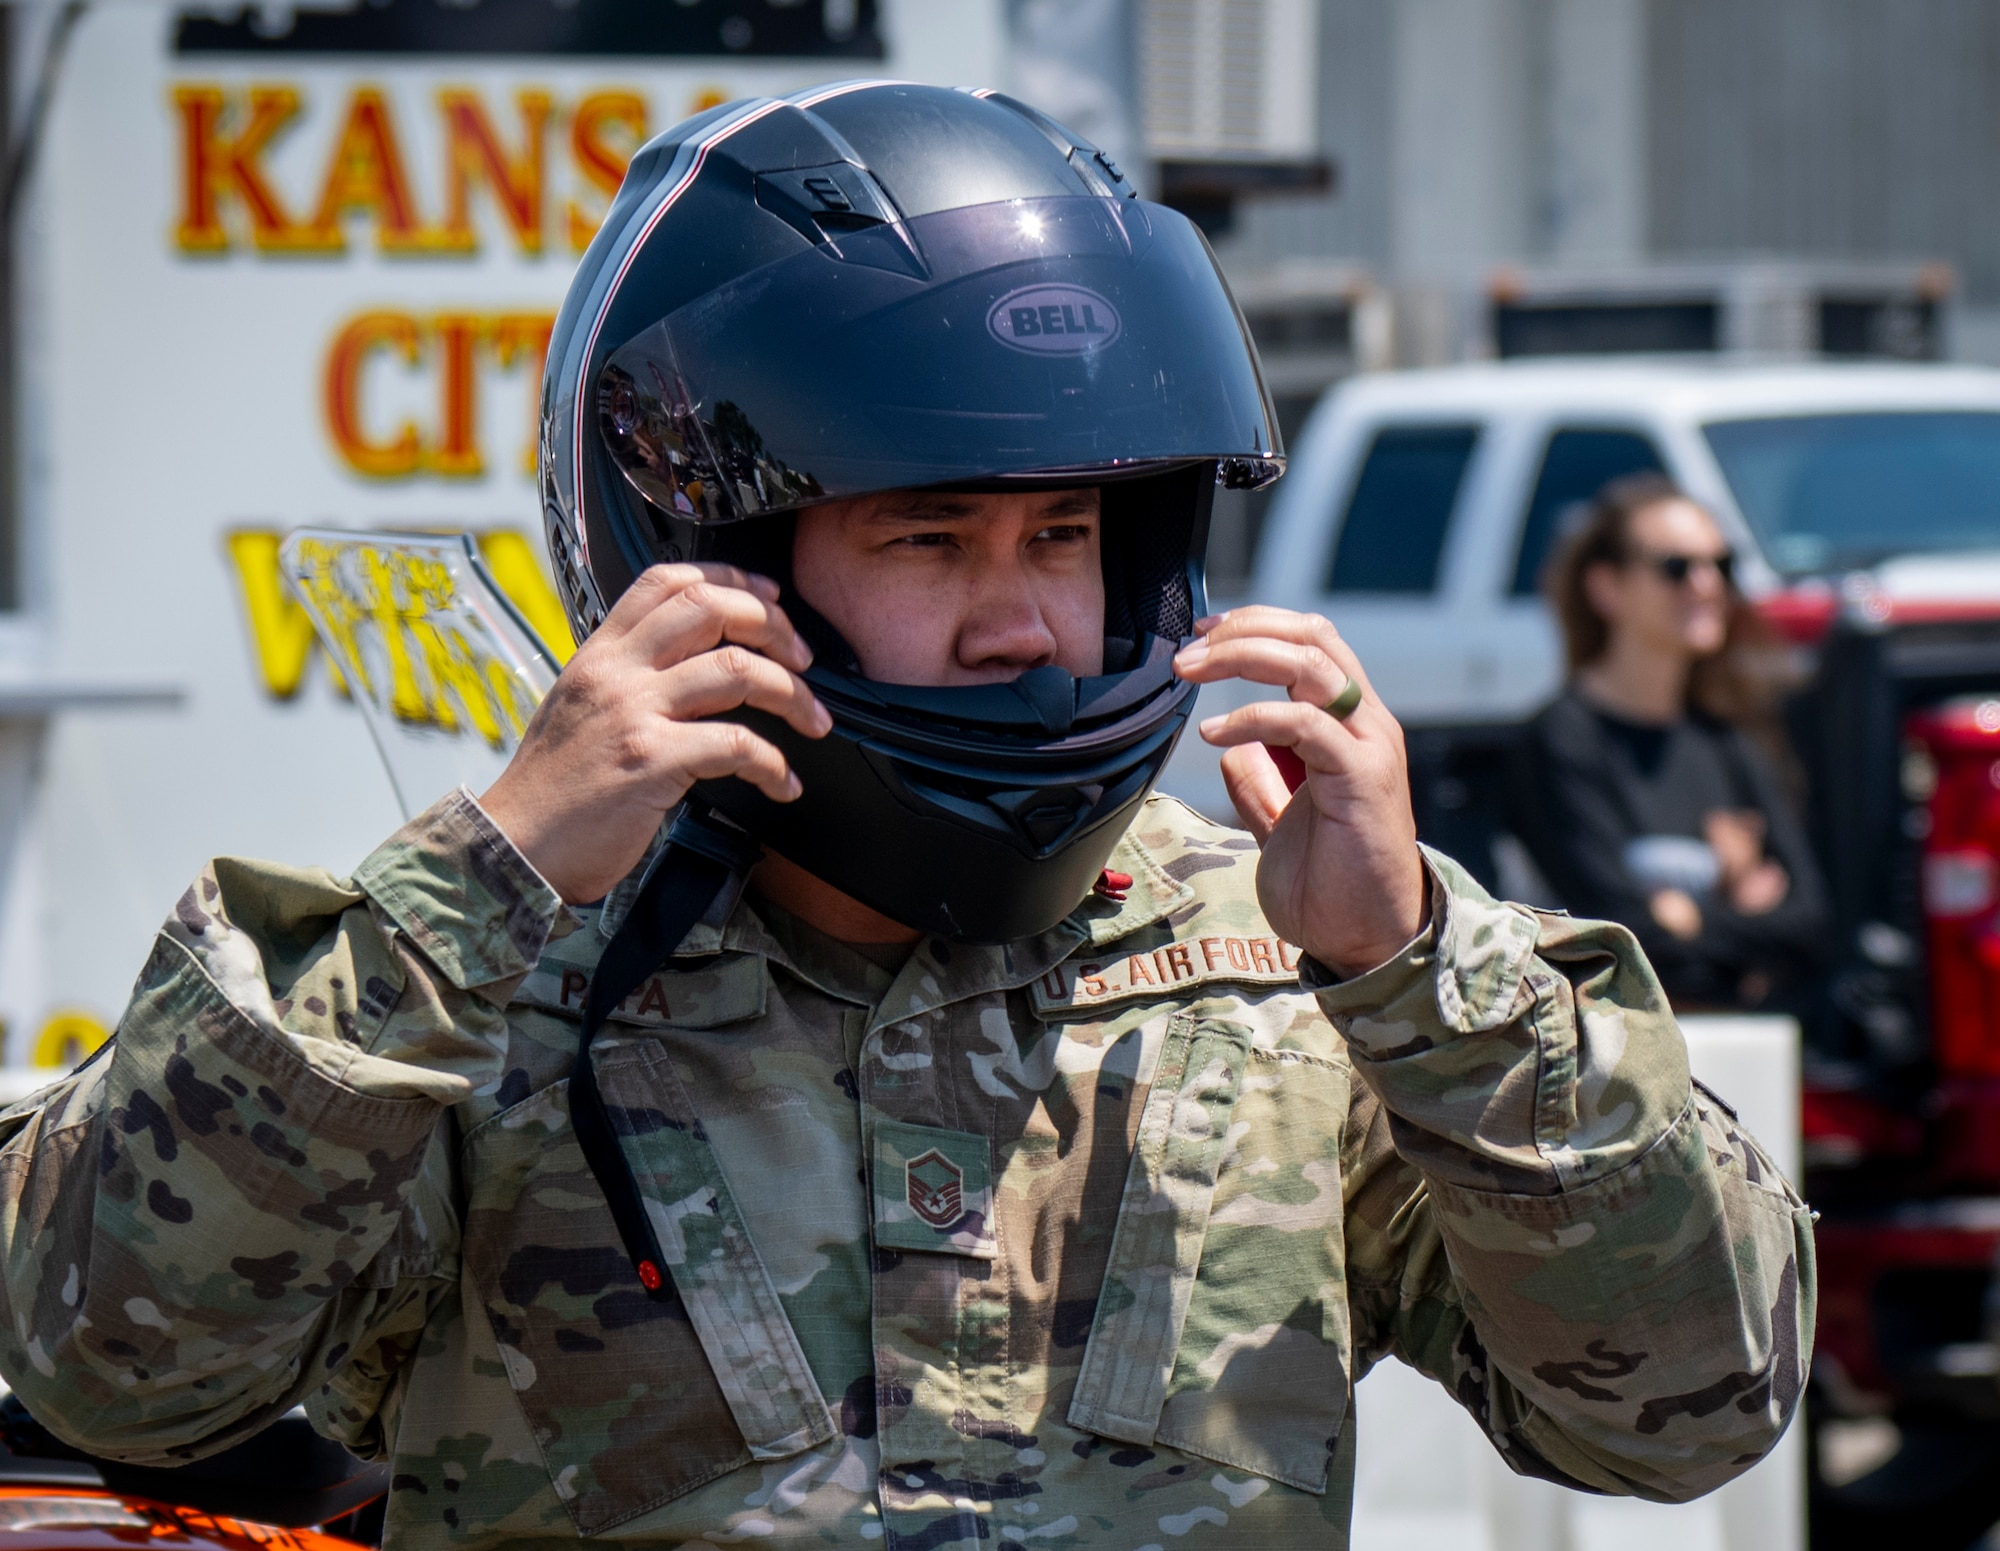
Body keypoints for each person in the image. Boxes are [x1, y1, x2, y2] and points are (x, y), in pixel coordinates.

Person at [0, 86, 1811, 1551]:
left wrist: (1418, 960)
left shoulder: (1285, 975)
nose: (1021, 619)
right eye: (929, 538)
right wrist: (481, 882)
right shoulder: (494, 978)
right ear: (715, 566)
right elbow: (111, 1366)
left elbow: (1693, 1405)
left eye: (1067, 538)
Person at [1511, 473, 1830, 1010]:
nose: (1705, 585)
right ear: (1607, 588)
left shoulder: (1731, 745)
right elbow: (1612, 938)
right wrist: (1742, 924)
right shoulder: (1560, 742)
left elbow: (1809, 925)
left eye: (1720, 566)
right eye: (1675, 567)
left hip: (1733, 1056)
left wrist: (1687, 918)